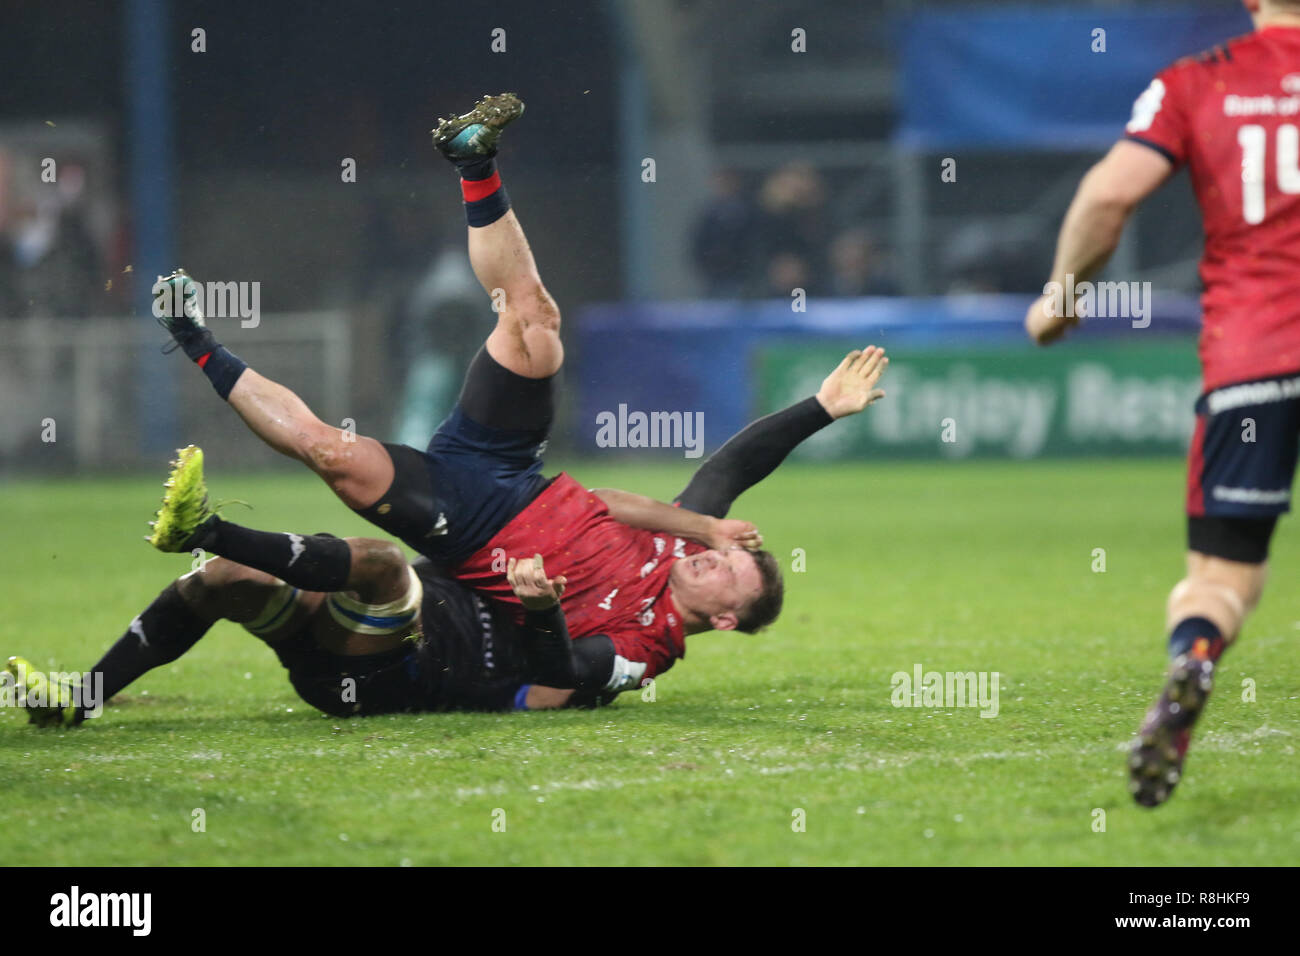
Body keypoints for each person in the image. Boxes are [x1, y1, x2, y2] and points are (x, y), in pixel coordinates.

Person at [6, 345, 889, 725]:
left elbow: (560, 679)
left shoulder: (644, 649)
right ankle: (80, 695)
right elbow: (733, 467)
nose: (709, 554)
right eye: (721, 546)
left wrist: (542, 613)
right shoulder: (666, 550)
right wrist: (822, 407)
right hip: (369, 642)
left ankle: (209, 520)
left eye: (727, 572)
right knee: (224, 581)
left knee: (383, 564)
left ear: (726, 620)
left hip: (403, 667)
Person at [1023, 0, 1300, 807]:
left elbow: (1108, 198)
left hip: (1256, 360)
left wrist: (1062, 298)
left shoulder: (1194, 82)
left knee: (1222, 577)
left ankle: (1197, 653)